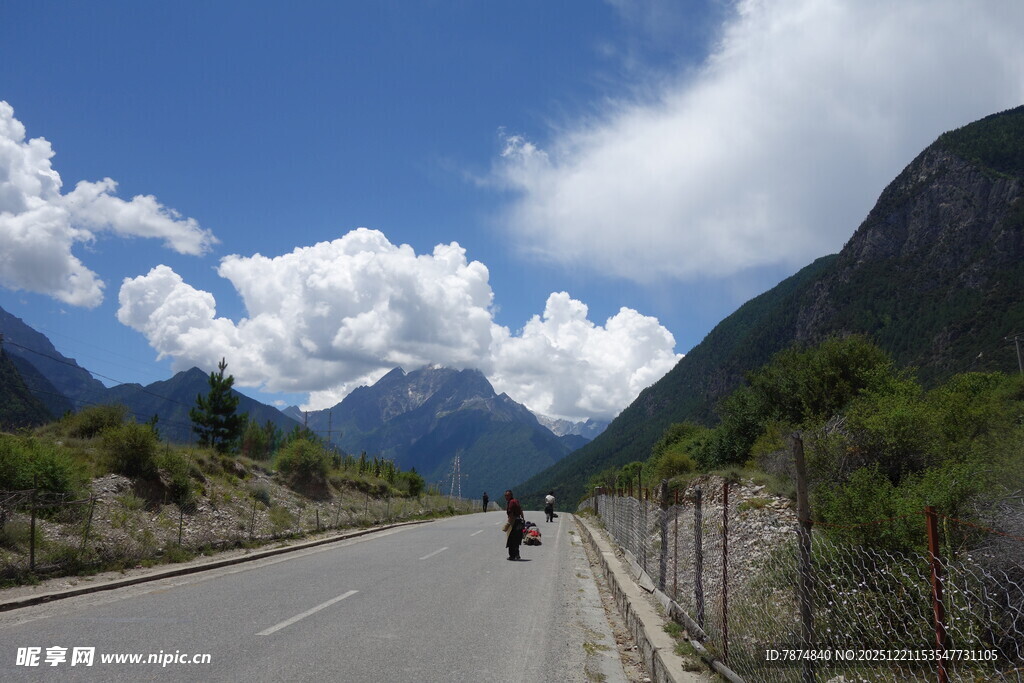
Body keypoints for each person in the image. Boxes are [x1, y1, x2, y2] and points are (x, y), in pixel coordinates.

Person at [503, 489, 524, 560]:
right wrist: (523, 519)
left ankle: (512, 555)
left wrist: (508, 523)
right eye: (505, 495)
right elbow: (521, 510)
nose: (506, 497)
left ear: (511, 495)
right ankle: (517, 555)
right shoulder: (516, 501)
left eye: (507, 495)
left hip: (513, 521)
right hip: (519, 520)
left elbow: (511, 513)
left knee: (511, 538)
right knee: (516, 538)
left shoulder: (511, 502)